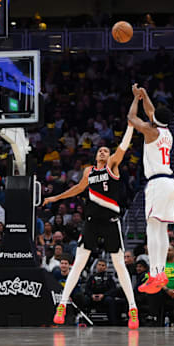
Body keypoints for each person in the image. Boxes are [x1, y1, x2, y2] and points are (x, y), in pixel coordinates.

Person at [44, 98, 139, 328]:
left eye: (107, 150)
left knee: (119, 265)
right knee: (78, 263)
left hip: (111, 221)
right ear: (96, 155)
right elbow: (77, 189)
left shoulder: (112, 166)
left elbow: (123, 147)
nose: (104, 152)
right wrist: (56, 198)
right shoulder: (89, 171)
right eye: (101, 150)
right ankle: (62, 304)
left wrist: (131, 125)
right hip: (91, 222)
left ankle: (132, 307)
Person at [127, 84, 174, 294]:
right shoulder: (167, 133)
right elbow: (150, 113)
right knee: (161, 228)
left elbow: (132, 118)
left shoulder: (150, 131)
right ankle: (160, 271)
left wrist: (134, 100)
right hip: (170, 183)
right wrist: (145, 95)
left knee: (152, 228)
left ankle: (156, 273)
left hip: (157, 182)